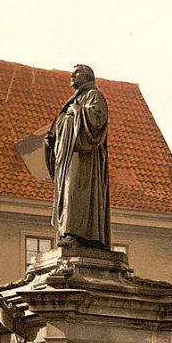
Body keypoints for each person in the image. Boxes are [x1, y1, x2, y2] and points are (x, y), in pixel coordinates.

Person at [44, 64, 111, 250]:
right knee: (68, 192)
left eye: (77, 72)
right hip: (67, 156)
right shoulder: (75, 98)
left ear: (89, 77)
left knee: (76, 191)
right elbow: (64, 124)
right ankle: (69, 232)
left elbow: (97, 121)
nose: (72, 74)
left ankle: (78, 234)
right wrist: (54, 138)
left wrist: (77, 113)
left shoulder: (94, 96)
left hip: (84, 159)